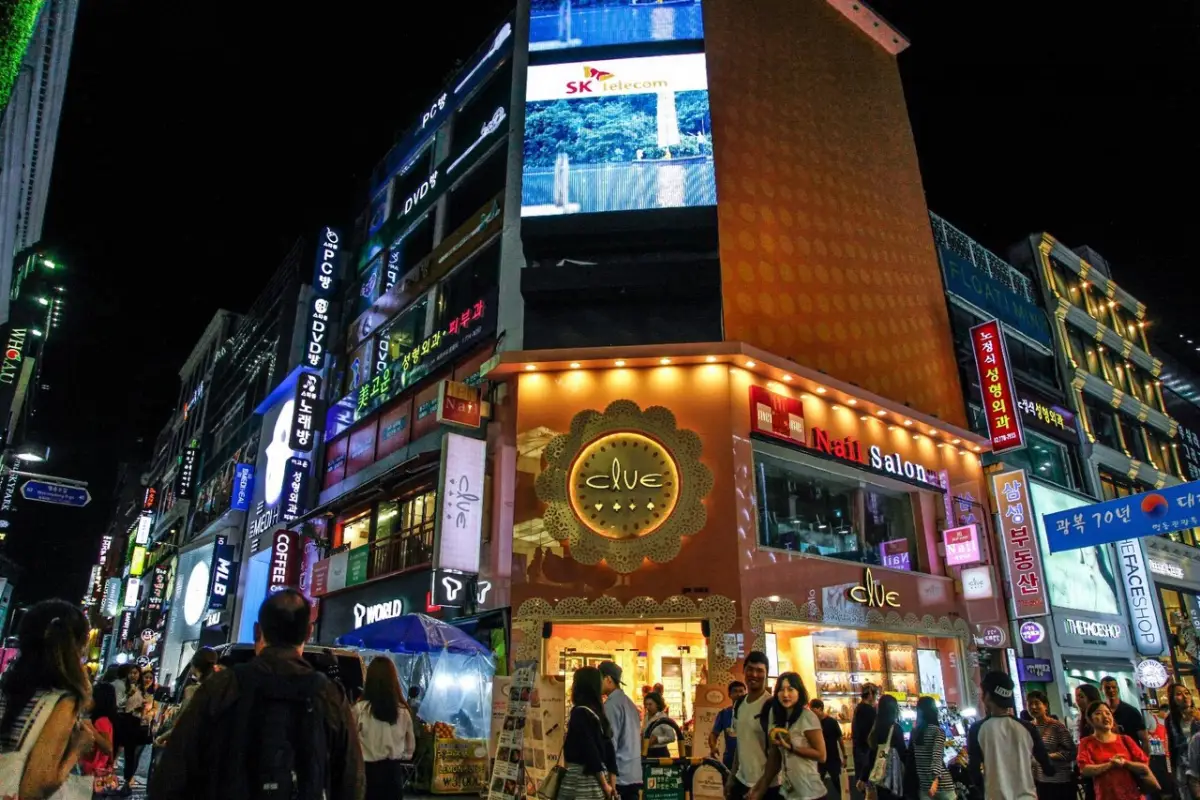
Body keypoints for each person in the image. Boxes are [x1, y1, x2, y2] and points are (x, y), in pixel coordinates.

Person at [149, 589, 365, 800]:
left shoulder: (222, 687)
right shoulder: (328, 695)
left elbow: (173, 771)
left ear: (257, 630)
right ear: (309, 632)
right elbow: (351, 779)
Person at [0, 599, 96, 799]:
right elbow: (36, 787)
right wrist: (77, 750)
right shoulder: (62, 702)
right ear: (75, 646)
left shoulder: (6, 689)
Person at [967, 671, 1056, 800]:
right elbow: (1048, 768)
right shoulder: (1028, 727)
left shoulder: (977, 729)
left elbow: (974, 771)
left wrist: (984, 790)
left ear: (987, 696)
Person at [750, 672, 824, 800]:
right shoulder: (776, 715)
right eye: (781, 690)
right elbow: (775, 758)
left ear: (799, 692)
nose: (785, 694)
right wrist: (759, 788)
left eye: (790, 689)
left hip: (809, 792)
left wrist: (791, 748)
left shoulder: (808, 717)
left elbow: (821, 755)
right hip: (787, 792)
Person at [354, 657, 415, 800]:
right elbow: (410, 749)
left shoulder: (360, 709)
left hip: (367, 773)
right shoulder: (403, 712)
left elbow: (350, 742)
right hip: (393, 775)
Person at [727, 651, 781, 800]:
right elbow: (741, 743)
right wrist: (732, 776)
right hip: (741, 781)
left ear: (767, 674)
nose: (754, 674)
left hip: (768, 786)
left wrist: (761, 788)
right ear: (744, 671)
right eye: (750, 669)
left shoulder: (772, 706)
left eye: (759, 670)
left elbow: (776, 754)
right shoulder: (739, 704)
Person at [1077, 701, 1154, 800]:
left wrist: (1125, 763)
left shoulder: (1125, 740)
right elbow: (1084, 770)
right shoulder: (1086, 743)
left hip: (1133, 796)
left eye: (1108, 713)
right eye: (1098, 713)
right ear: (1089, 719)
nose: (1105, 717)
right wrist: (1110, 765)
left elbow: (1144, 765)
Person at [561, 666, 618, 800]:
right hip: (599, 782)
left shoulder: (579, 712)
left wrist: (605, 785)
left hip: (581, 781)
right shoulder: (599, 713)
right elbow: (610, 751)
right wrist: (611, 785)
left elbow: (590, 750)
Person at [598, 661, 643, 800]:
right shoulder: (628, 702)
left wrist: (608, 781)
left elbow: (611, 743)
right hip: (633, 773)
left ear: (608, 679)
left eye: (599, 679)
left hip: (620, 776)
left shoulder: (611, 706)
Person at [1026, 690, 1076, 800]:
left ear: (1045, 706)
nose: (1033, 707)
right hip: (1039, 781)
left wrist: (1047, 756)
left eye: (1037, 703)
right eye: (1030, 704)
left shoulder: (1057, 726)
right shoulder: (1028, 727)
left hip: (1060, 782)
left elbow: (1071, 753)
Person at [856, 694, 906, 800]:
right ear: (894, 709)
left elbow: (871, 756)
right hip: (893, 780)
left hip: (879, 779)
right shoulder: (896, 729)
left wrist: (863, 778)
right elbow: (903, 754)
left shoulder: (875, 729)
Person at [912, 696, 955, 800]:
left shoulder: (915, 733)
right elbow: (937, 756)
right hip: (942, 785)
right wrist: (935, 781)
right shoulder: (938, 731)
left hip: (924, 786)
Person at [82, 682, 120, 793]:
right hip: (98, 771)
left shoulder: (101, 720)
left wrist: (91, 729)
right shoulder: (107, 719)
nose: (87, 702)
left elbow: (108, 748)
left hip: (93, 772)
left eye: (90, 697)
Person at [1100, 676, 1149, 755]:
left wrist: (1145, 761)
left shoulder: (1131, 711)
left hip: (1131, 755)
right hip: (1109, 756)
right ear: (1101, 690)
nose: (1111, 690)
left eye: (1113, 687)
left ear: (1118, 688)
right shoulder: (1100, 712)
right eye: (1107, 688)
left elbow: (1144, 739)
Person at [1166, 683, 1197, 800]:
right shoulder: (1170, 720)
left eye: (1187, 693)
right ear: (1173, 700)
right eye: (1179, 694)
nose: (1185, 696)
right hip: (1183, 766)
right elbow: (1171, 745)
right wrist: (1173, 769)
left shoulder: (1198, 715)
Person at [810, 699, 845, 800]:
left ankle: (845, 797)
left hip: (833, 758)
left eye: (813, 710)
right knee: (818, 783)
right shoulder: (813, 723)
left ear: (820, 709)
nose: (812, 713)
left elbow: (840, 739)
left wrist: (844, 756)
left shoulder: (832, 722)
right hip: (820, 758)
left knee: (837, 782)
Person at [710, 680, 747, 771]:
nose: (739, 694)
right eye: (735, 691)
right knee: (728, 784)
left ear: (746, 694)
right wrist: (713, 747)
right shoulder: (724, 713)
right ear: (729, 694)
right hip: (729, 761)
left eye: (741, 691)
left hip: (748, 761)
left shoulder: (753, 713)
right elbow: (713, 734)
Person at [849, 684, 877, 800]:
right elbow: (871, 734)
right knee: (869, 787)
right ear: (870, 694)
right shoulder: (868, 710)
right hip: (866, 751)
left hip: (859, 750)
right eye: (875, 694)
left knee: (863, 787)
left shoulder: (858, 709)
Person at [642, 690, 677, 758]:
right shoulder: (646, 716)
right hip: (647, 752)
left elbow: (672, 737)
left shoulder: (663, 717)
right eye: (646, 704)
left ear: (657, 704)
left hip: (660, 753)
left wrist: (657, 739)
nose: (647, 707)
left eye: (650, 704)